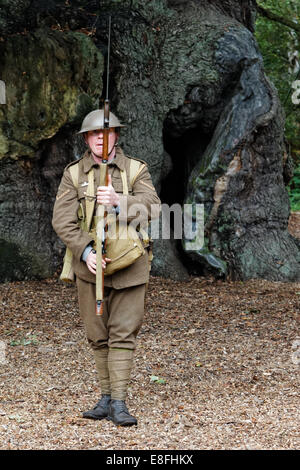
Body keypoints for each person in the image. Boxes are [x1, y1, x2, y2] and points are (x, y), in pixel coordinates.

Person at [52, 109, 160, 426]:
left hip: (130, 265)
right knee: (97, 336)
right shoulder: (73, 174)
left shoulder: (137, 170)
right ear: (87, 138)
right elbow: (62, 220)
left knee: (123, 334)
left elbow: (153, 208)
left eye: (108, 132)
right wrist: (85, 251)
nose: (102, 137)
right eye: (95, 133)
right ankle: (105, 397)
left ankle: (119, 403)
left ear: (116, 136)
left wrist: (118, 201)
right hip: (90, 268)